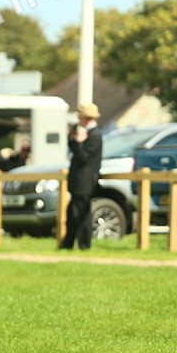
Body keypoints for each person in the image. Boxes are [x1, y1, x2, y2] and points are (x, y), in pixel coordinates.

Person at [60, 103, 104, 250]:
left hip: (84, 182)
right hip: (78, 182)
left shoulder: (94, 135)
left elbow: (84, 157)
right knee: (72, 213)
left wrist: (78, 143)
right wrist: (73, 140)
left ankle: (84, 244)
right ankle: (68, 243)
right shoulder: (87, 134)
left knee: (82, 214)